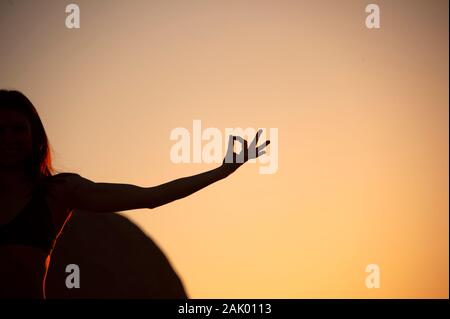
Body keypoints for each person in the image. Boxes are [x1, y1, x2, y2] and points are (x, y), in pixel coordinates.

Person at [0, 89, 270, 299]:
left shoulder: (58, 192)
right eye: (0, 130)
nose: (9, 138)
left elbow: (150, 197)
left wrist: (221, 171)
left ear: (35, 137)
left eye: (18, 129)